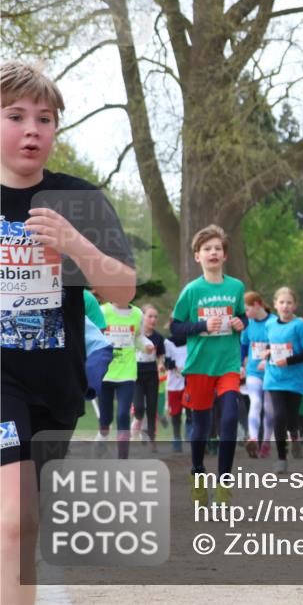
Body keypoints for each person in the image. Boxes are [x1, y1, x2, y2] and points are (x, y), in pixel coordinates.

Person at [1, 61, 136, 605]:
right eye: (16, 115)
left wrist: (76, 243)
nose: (33, 129)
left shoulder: (79, 199)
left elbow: (123, 290)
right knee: (14, 518)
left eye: (45, 118)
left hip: (57, 387)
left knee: (27, 525)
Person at [170, 224, 246, 507]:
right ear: (197, 256)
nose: (213, 253)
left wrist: (242, 322)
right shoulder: (192, 291)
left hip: (227, 363)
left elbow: (241, 316)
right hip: (200, 365)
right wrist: (202, 325)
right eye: (207, 249)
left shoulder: (236, 287)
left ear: (225, 255)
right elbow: (176, 328)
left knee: (228, 419)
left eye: (218, 248)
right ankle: (198, 473)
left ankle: (225, 485)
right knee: (200, 429)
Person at [260, 287, 303, 473]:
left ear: (295, 305)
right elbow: (271, 343)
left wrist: (289, 361)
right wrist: (267, 352)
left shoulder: (300, 325)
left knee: (292, 417)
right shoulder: (269, 324)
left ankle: (295, 437)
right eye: (282, 302)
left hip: (294, 379)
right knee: (279, 415)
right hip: (274, 377)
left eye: (289, 303)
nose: (285, 306)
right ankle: (281, 459)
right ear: (275, 304)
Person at [99, 299, 145, 459]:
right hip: (105, 373)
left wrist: (147, 345)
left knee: (123, 414)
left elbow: (139, 337)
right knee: (106, 419)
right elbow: (94, 335)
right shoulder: (103, 311)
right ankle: (102, 439)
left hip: (127, 373)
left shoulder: (138, 314)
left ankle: (123, 458)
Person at [241, 291, 277, 458]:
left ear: (257, 305)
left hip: (271, 371)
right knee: (255, 401)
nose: (245, 314)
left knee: (269, 409)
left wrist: (269, 358)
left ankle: (266, 442)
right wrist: (241, 364)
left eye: (247, 310)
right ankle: (253, 437)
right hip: (253, 371)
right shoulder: (247, 324)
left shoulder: (274, 322)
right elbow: (243, 346)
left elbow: (281, 346)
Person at [132, 304, 166, 450]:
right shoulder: (135, 335)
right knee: (139, 407)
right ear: (143, 317)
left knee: (152, 408)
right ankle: (137, 420)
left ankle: (152, 439)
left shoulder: (158, 337)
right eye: (150, 316)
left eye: (155, 317)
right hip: (136, 373)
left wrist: (161, 364)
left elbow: (161, 355)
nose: (153, 320)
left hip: (152, 374)